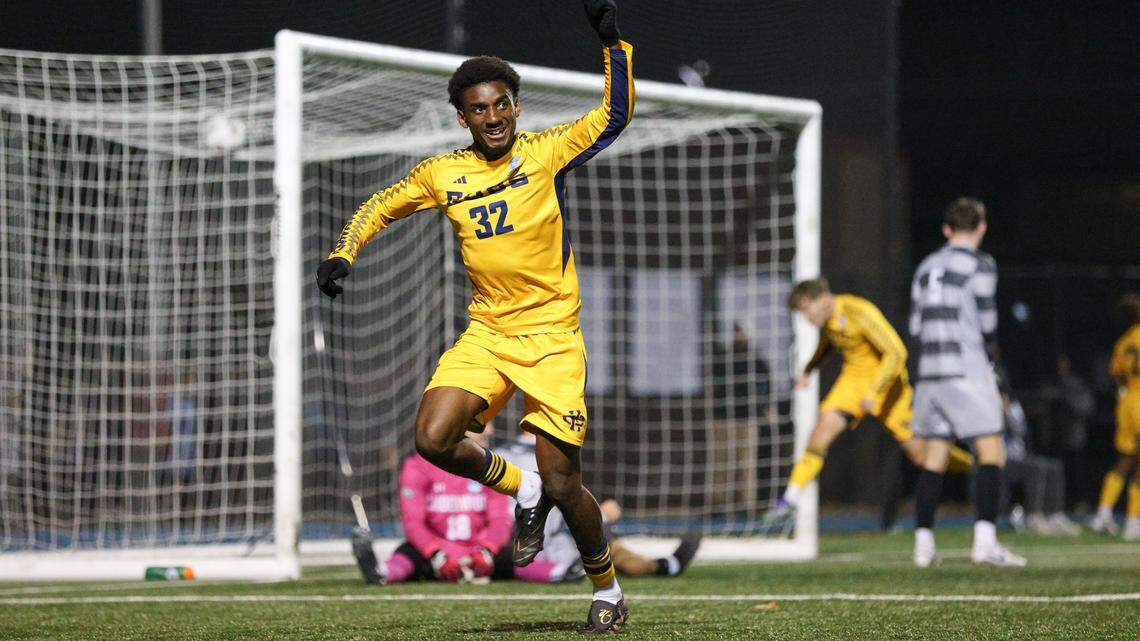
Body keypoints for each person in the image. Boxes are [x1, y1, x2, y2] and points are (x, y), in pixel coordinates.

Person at [316, 0, 633, 631]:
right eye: (478, 108)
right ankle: (524, 491)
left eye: (500, 104)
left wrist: (611, 44)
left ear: (517, 107)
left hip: (551, 338)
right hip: (488, 332)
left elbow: (614, 115)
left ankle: (609, 591)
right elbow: (381, 204)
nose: (491, 116)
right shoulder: (443, 173)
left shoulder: (547, 152)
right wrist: (342, 252)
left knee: (567, 483)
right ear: (462, 116)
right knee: (431, 438)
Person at [765, 277, 973, 523]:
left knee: (921, 456)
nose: (806, 318)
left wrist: (875, 392)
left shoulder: (858, 311)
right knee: (820, 434)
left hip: (889, 386)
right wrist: (809, 369)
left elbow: (897, 353)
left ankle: (977, 465)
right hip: (853, 383)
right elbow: (828, 344)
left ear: (823, 299)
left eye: (806, 310)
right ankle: (790, 498)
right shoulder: (828, 321)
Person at [909, 197, 1025, 568]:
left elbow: (914, 326)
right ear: (982, 227)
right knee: (992, 451)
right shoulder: (980, 264)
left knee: (935, 455)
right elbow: (988, 324)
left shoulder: (926, 266)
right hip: (965, 369)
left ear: (946, 229)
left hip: (929, 373)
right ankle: (985, 543)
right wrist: (992, 359)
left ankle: (923, 545)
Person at [351, 429, 581, 585]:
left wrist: (487, 550)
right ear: (459, 427)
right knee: (407, 554)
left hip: (481, 553)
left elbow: (500, 520)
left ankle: (560, 572)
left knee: (515, 554)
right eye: (483, 424)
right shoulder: (417, 467)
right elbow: (413, 523)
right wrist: (436, 554)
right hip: (436, 555)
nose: (489, 431)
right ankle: (380, 572)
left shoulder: (493, 465)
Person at [499, 432, 702, 578]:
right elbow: (533, 518)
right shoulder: (545, 458)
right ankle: (665, 566)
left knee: (598, 535)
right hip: (532, 550)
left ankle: (664, 565)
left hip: (523, 544)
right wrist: (601, 515)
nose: (489, 430)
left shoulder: (498, 455)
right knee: (598, 536)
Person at [999, 376, 1080, 536]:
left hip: (1019, 457)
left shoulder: (1013, 406)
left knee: (1054, 466)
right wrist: (1001, 412)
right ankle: (1034, 516)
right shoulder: (988, 407)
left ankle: (1055, 515)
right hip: (1001, 460)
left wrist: (1007, 411)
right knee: (1036, 467)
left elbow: (1020, 429)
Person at [1089, 294, 1140, 540]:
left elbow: (1117, 377)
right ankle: (1133, 523)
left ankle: (1103, 513)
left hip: (1127, 402)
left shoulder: (1122, 343)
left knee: (1124, 461)